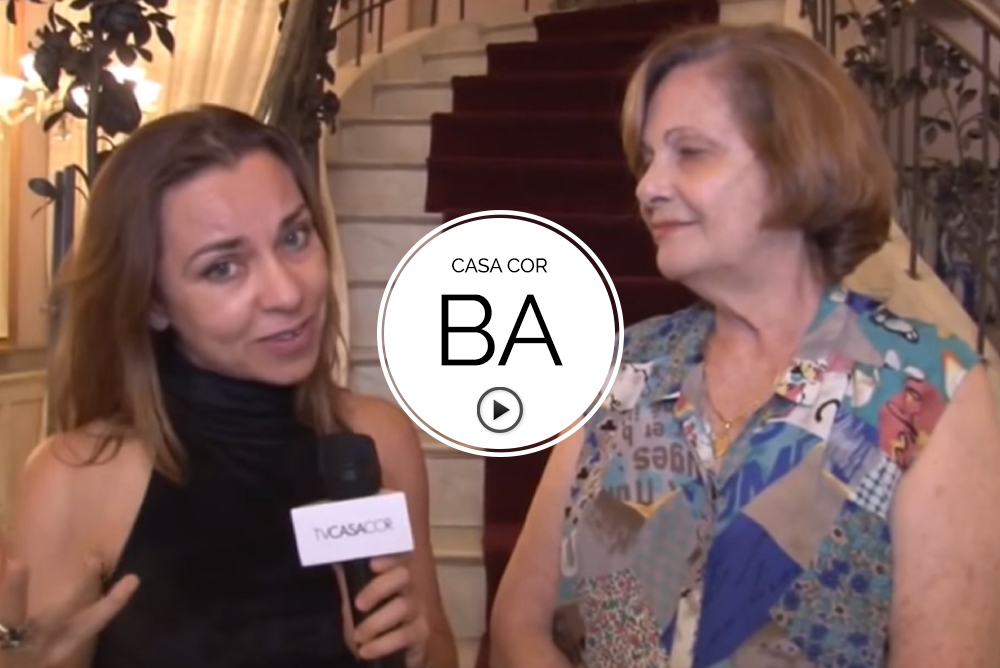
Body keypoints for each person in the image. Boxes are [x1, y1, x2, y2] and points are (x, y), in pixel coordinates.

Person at [490, 22, 1000, 668]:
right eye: (648, 158)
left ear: (797, 165)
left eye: (690, 152)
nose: (647, 186)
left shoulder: (926, 387)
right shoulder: (622, 371)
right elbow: (519, 625)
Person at [0, 105, 458, 668]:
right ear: (152, 301)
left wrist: (415, 650)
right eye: (222, 268)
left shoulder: (377, 438)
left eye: (294, 237)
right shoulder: (75, 478)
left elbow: (439, 648)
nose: (287, 293)